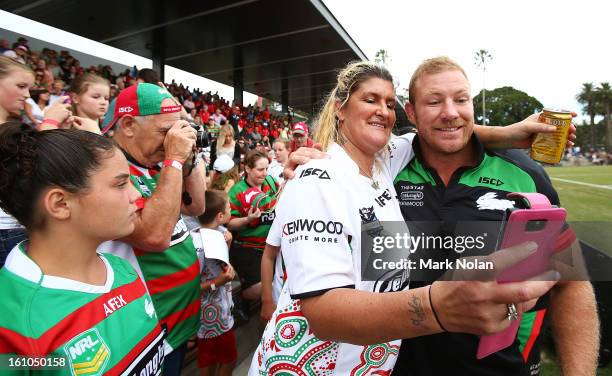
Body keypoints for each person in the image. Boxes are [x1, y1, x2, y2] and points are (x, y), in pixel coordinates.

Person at [249, 61, 559, 374]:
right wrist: (436, 308)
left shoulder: (387, 159)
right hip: (307, 366)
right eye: (370, 100)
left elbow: (444, 128)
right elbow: (323, 315)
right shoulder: (316, 176)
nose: (382, 110)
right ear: (340, 109)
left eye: (388, 103)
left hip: (368, 364)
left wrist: (508, 134)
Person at [391, 56, 598, 376]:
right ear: (412, 112)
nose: (450, 112)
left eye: (461, 99)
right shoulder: (383, 173)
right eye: (434, 101)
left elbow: (570, 283)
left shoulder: (525, 174)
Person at [0, 122, 166, 375]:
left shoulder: (122, 269)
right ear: (60, 203)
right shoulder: (12, 323)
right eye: (121, 184)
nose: (136, 196)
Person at [98, 83, 206, 375]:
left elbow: (196, 206)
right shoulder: (107, 169)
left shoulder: (156, 164)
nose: (172, 140)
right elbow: (154, 236)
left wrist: (188, 155)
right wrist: (174, 159)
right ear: (129, 125)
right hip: (148, 330)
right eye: (164, 132)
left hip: (178, 321)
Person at [0, 56, 73, 267]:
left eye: (28, 88)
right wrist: (50, 122)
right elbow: (36, 167)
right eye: (21, 86)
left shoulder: (10, 125)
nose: (26, 95)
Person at [193, 190, 238, 376]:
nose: (231, 210)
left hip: (222, 311)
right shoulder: (197, 244)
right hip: (211, 318)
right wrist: (217, 282)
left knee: (214, 360)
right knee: (224, 361)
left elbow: (220, 265)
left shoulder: (218, 233)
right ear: (220, 216)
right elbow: (190, 289)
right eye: (229, 208)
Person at [227, 150, 279, 304]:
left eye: (267, 169)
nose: (264, 174)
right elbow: (229, 223)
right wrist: (247, 219)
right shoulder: (237, 191)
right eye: (260, 169)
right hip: (249, 247)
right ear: (248, 169)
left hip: (272, 246)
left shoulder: (270, 181)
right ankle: (239, 302)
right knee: (266, 288)